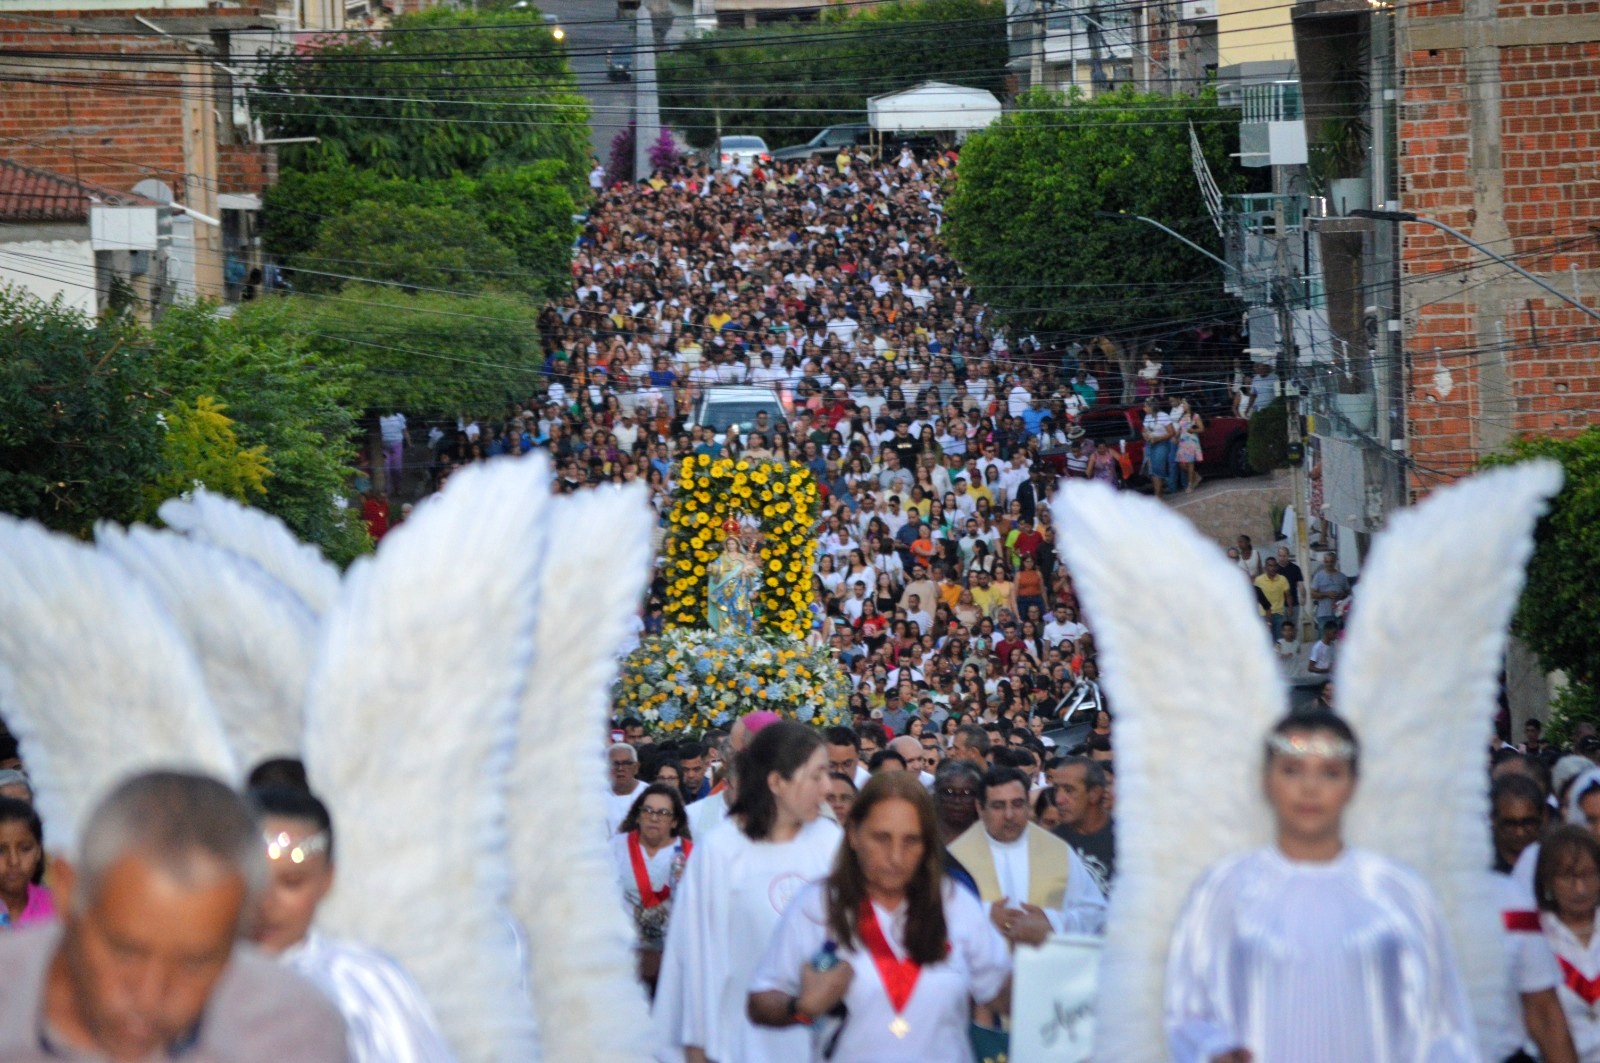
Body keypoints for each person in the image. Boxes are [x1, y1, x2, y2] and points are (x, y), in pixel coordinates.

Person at [1164, 711, 1477, 1063]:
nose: (1310, 788)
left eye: (1329, 772)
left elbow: (1445, 1025)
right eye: (1292, 770)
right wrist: (1214, 1049)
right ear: (1266, 781)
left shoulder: (1398, 892)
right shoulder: (1224, 888)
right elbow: (1185, 1011)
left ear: (1354, 784)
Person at [0, 771, 348, 1061]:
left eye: (195, 963)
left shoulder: (288, 1033)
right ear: (66, 891)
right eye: (125, 952)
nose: (150, 997)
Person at [748, 773, 1012, 1061]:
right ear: (852, 835)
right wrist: (800, 1006)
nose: (895, 857)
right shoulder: (817, 906)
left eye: (911, 841)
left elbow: (1001, 992)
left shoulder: (955, 903)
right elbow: (761, 1000)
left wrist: (1045, 957)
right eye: (881, 838)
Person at [653, 721, 842, 1063]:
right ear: (776, 782)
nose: (827, 788)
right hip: (740, 1042)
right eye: (816, 776)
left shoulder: (830, 843)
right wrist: (698, 1049)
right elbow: (695, 960)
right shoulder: (723, 850)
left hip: (821, 1042)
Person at [249, 787, 453, 1063]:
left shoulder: (366, 983)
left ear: (327, 879)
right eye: (255, 880)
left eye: (292, 882)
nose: (268, 903)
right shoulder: (188, 982)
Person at [946, 767, 1108, 946]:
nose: (1009, 815)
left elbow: (1096, 913)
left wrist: (1052, 923)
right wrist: (984, 916)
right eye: (998, 806)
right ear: (980, 808)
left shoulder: (1057, 851)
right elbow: (933, 917)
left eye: (1017, 804)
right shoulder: (956, 857)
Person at [613, 783, 694, 993]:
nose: (654, 818)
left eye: (663, 813)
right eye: (647, 811)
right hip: (625, 956)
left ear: (675, 821)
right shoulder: (615, 848)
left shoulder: (692, 854)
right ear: (637, 816)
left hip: (675, 958)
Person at [1536, 826, 1600, 1062]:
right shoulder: (1536, 938)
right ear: (1548, 882)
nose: (1580, 889)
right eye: (1568, 877)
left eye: (1589, 874)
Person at [1050, 756, 1115, 893]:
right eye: (1056, 790)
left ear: (1094, 793)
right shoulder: (1051, 844)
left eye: (1069, 790)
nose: (1059, 799)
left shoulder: (1129, 840)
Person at [0, 796, 51, 928]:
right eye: (1, 851)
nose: (14, 861)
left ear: (39, 850)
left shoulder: (57, 908)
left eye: (25, 849)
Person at [708, 536, 759, 635]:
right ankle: (729, 631)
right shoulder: (723, 557)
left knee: (740, 608)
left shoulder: (742, 557)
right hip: (727, 588)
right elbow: (717, 570)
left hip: (740, 587)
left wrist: (748, 571)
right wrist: (712, 569)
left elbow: (753, 570)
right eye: (729, 544)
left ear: (737, 545)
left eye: (733, 543)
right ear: (726, 545)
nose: (731, 546)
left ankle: (741, 631)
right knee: (728, 609)